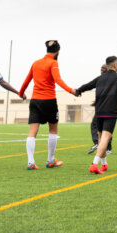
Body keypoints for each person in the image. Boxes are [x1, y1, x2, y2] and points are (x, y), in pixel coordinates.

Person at [74, 55, 117, 174]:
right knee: (105, 138)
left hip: (99, 112)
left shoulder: (100, 78)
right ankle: (94, 164)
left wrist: (78, 91)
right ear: (115, 65)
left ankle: (104, 164)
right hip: (110, 113)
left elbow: (87, 85)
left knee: (102, 139)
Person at [19, 40, 77, 170]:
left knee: (32, 132)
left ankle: (30, 162)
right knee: (53, 130)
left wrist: (21, 93)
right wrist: (71, 90)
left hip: (35, 101)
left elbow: (27, 80)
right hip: (49, 100)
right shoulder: (53, 63)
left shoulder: (36, 63)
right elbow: (58, 80)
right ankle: (51, 160)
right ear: (57, 52)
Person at [88, 64, 111, 155]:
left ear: (107, 69)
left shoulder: (101, 80)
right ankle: (106, 147)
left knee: (98, 126)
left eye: (103, 68)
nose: (101, 70)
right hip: (103, 107)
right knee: (106, 127)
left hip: (104, 108)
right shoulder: (109, 79)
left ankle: (99, 144)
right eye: (101, 68)